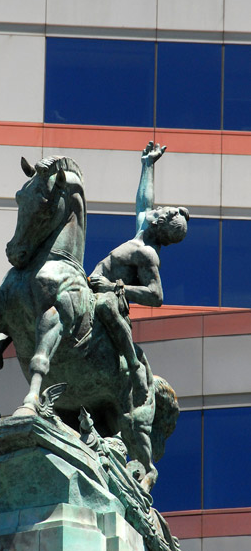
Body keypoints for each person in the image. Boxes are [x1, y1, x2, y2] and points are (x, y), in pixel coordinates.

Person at [88, 141, 189, 405]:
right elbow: (144, 201)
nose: (156, 208)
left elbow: (156, 295)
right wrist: (147, 165)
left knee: (104, 308)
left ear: (160, 223)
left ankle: (132, 365)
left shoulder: (147, 254)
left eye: (161, 211)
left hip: (107, 297)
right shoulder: (142, 232)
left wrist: (114, 288)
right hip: (91, 285)